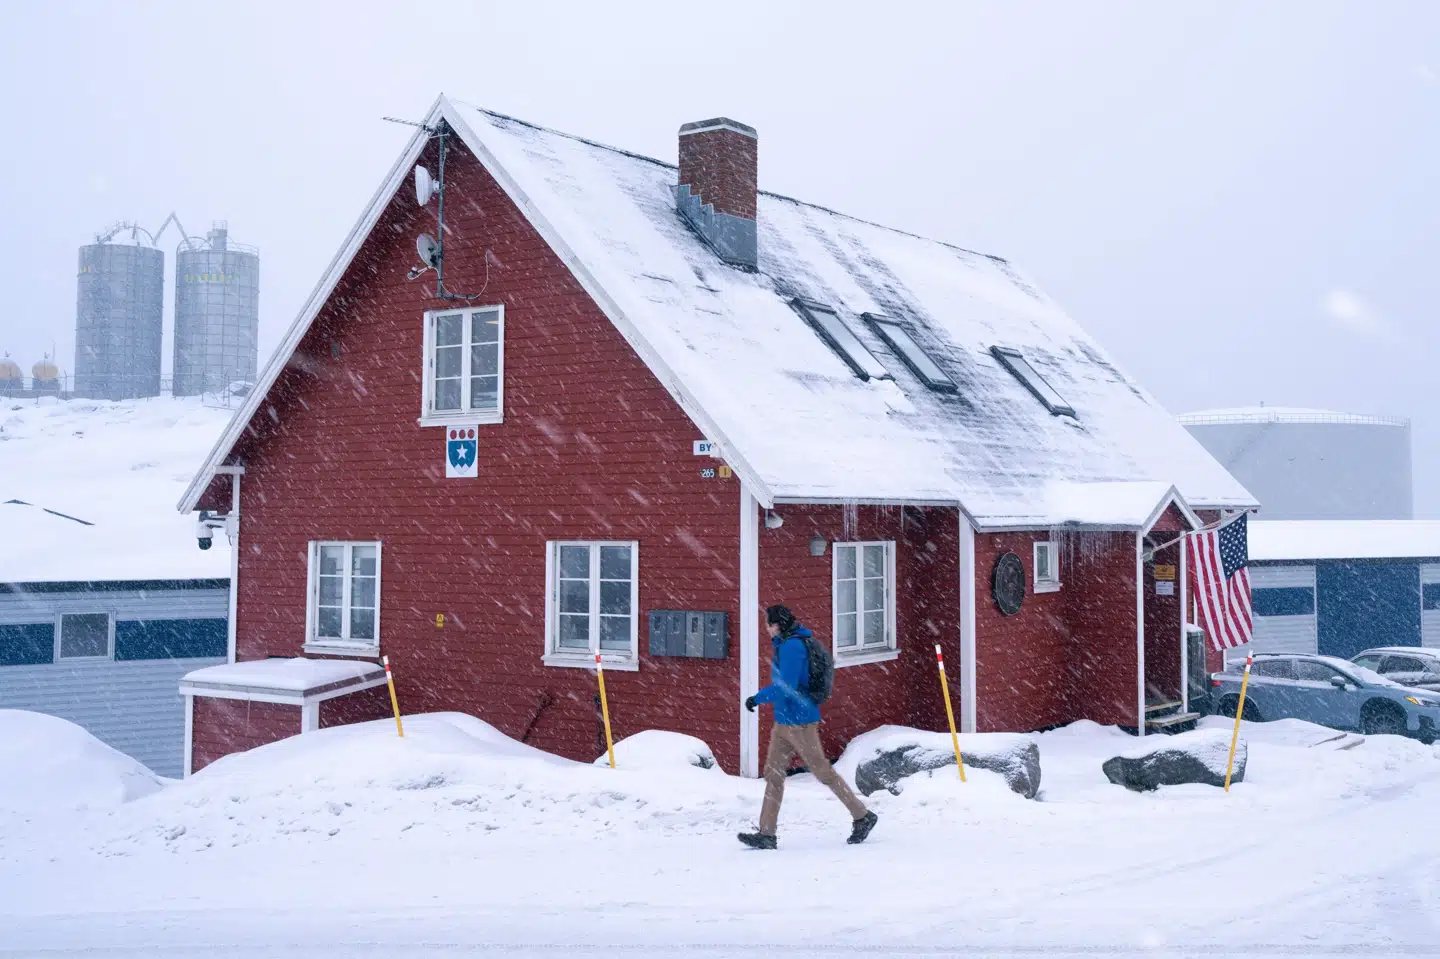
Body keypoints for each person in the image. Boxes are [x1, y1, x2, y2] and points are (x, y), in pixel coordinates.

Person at [737, 604, 877, 850]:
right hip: (784, 722)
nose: (766, 628)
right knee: (773, 775)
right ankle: (766, 834)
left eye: (768, 624)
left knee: (823, 772)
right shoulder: (784, 643)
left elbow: (786, 686)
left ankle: (862, 816)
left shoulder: (792, 646)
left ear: (777, 625)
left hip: (801, 722)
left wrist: (757, 698)